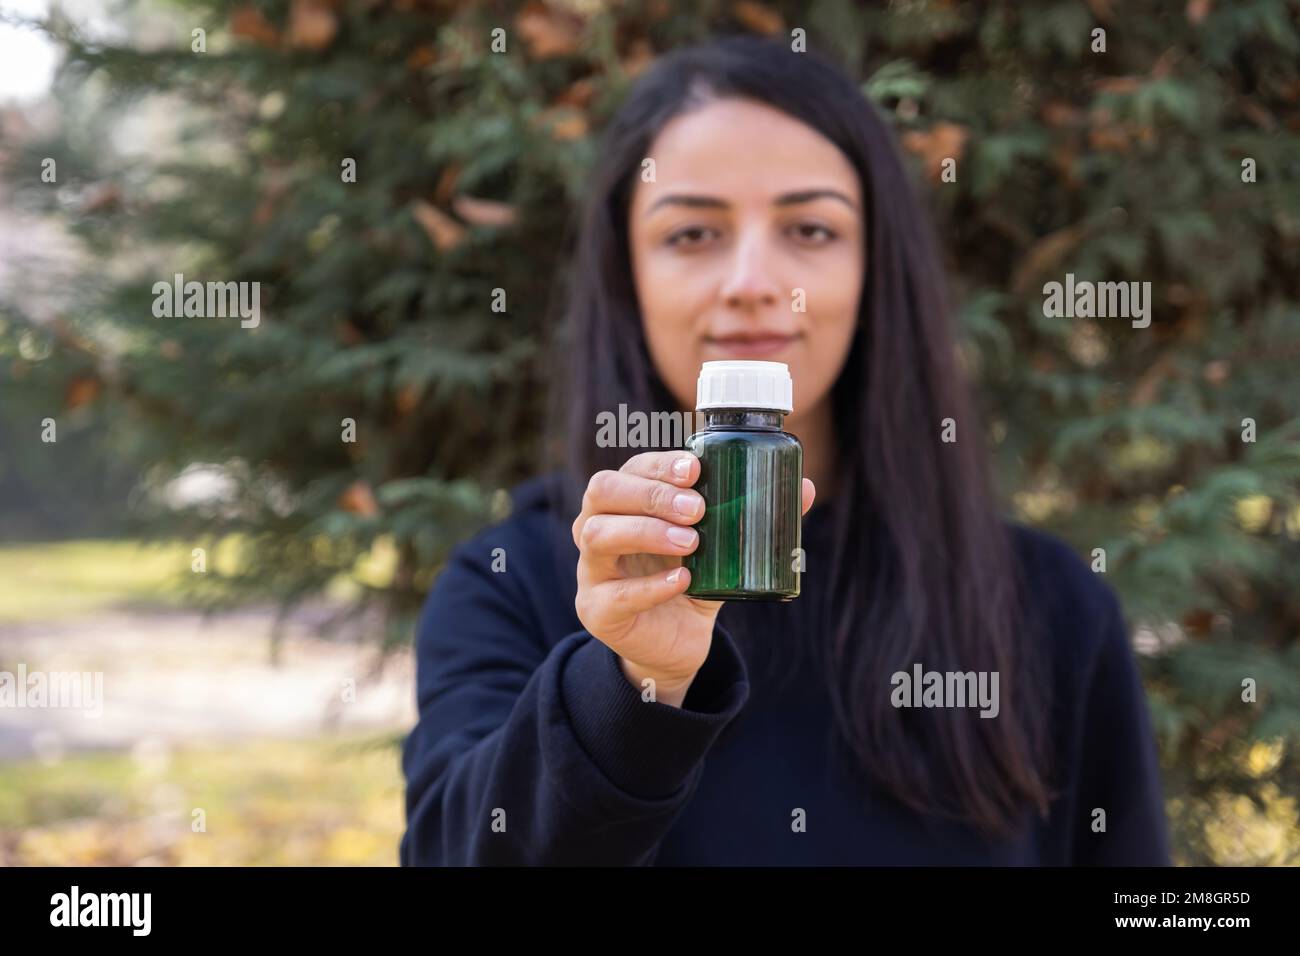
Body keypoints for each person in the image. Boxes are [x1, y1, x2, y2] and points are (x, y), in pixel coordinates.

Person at [399, 34, 1170, 866]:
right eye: (692, 234)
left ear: (880, 269)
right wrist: (629, 692)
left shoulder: (1050, 606)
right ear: (629, 279)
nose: (753, 280)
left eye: (809, 227)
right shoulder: (512, 586)